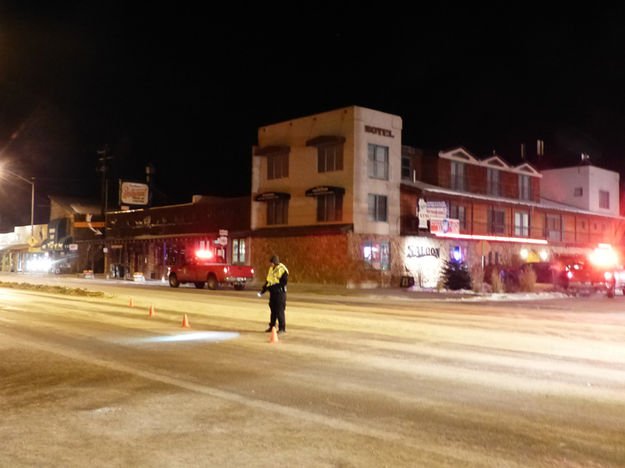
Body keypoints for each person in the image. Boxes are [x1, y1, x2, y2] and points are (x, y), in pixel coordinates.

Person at [258, 255, 289, 334]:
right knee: (273, 311)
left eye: (271, 263)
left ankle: (282, 328)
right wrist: (263, 290)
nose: (270, 264)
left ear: (275, 262)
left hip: (280, 294)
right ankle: (272, 327)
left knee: (280, 311)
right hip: (273, 294)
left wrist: (274, 287)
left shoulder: (282, 269)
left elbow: (284, 283)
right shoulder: (271, 269)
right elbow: (269, 281)